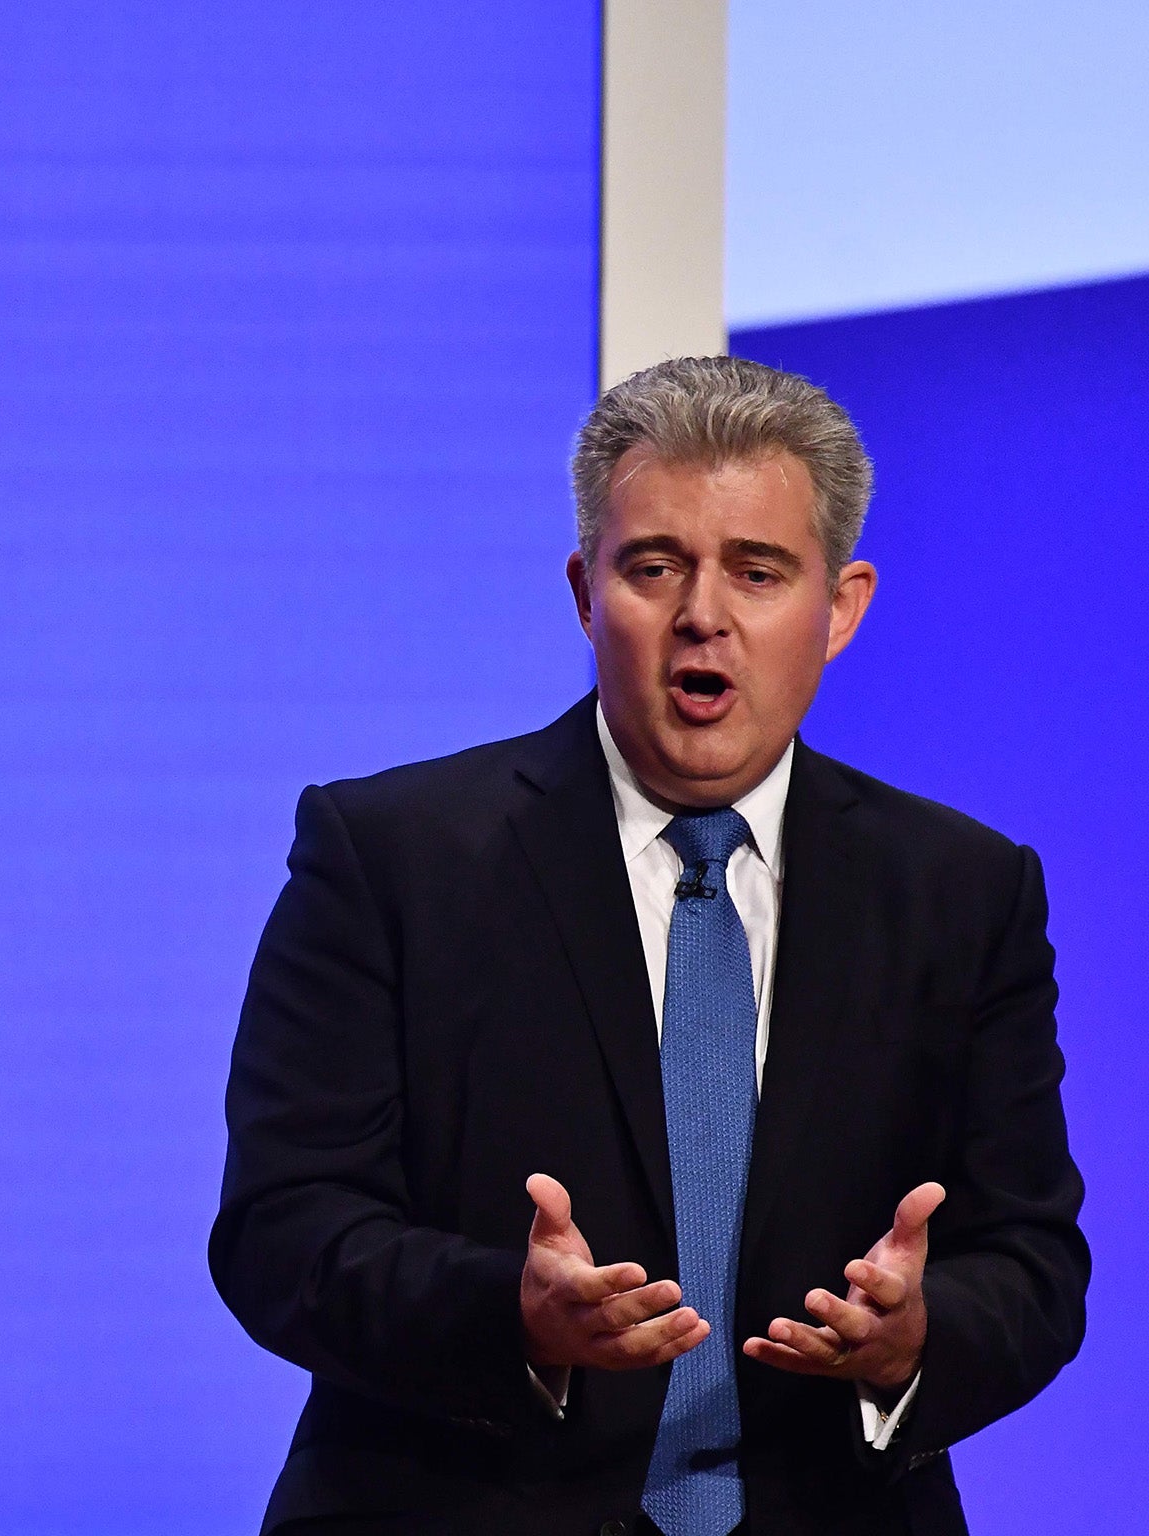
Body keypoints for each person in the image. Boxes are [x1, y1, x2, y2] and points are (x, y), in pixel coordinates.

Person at [209, 357, 1088, 1536]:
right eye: (652, 566)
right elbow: (282, 1229)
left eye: (757, 570)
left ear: (840, 606)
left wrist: (915, 1339)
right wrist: (508, 1318)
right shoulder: (389, 857)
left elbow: (1030, 1262)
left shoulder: (961, 891)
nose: (700, 615)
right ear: (584, 592)